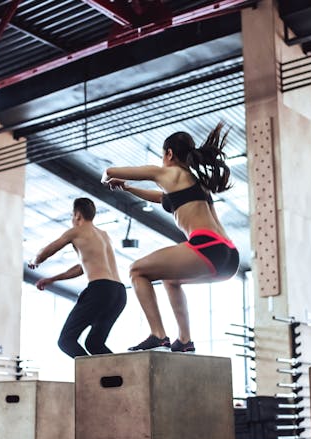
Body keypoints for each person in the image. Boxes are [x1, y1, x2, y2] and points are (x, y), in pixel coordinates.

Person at [103, 122, 239, 353]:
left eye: (162, 155)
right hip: (229, 257)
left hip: (207, 247)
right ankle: (185, 341)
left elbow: (111, 171)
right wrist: (127, 188)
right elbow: (162, 198)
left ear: (169, 154)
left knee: (137, 270)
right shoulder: (195, 183)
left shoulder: (168, 172)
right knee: (171, 279)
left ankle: (158, 335)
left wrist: (108, 176)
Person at [28, 198, 126, 358]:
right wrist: (52, 279)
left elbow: (46, 251)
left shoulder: (76, 231)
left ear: (77, 215)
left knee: (66, 341)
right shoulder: (104, 236)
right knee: (95, 344)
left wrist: (34, 260)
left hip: (99, 290)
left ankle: (92, 375)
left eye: (72, 216)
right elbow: (81, 268)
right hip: (119, 293)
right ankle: (121, 377)